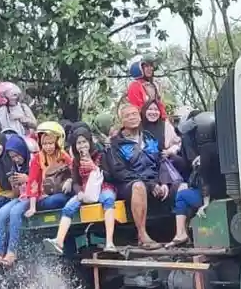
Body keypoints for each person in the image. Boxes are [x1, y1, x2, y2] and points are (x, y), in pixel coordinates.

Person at [105, 102, 169, 249]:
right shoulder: (116, 144)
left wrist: (163, 182)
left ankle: (181, 233)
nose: (132, 118)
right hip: (129, 185)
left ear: (140, 117)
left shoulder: (149, 138)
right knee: (138, 186)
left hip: (153, 182)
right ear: (122, 121)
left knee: (181, 188)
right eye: (128, 116)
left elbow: (161, 162)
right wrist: (148, 184)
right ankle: (142, 235)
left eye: (134, 114)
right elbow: (119, 172)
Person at [47, 126, 118, 254]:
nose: (82, 146)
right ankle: (59, 241)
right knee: (68, 207)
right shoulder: (76, 161)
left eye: (84, 142)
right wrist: (79, 192)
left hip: (103, 187)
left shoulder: (101, 155)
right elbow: (75, 181)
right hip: (85, 190)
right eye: (79, 143)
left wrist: (95, 168)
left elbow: (110, 176)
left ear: (90, 142)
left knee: (108, 199)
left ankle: (109, 242)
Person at [0, 135, 33, 266]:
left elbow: (40, 184)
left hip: (34, 197)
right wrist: (15, 184)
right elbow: (17, 193)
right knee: (1, 213)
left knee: (15, 212)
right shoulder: (15, 167)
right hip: (21, 196)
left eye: (17, 155)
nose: (16, 159)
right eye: (12, 157)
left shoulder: (33, 162)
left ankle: (12, 251)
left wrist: (27, 179)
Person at [25, 122, 74, 214]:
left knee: (64, 198)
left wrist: (70, 181)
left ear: (57, 142)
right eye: (45, 144)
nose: (48, 147)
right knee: (56, 201)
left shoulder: (63, 155)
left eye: (51, 143)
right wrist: (32, 207)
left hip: (62, 192)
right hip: (44, 197)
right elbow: (33, 182)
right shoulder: (37, 158)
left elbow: (74, 172)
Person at [126, 55, 166, 120]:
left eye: (151, 66)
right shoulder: (135, 86)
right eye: (146, 66)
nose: (151, 68)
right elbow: (138, 109)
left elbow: (160, 107)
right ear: (138, 68)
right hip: (143, 124)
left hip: (157, 122)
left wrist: (164, 121)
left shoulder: (154, 85)